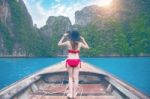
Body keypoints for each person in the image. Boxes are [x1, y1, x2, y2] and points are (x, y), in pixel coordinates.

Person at [58, 30, 89, 99]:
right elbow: (87, 47)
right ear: (78, 36)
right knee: (76, 79)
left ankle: (70, 94)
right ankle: (74, 95)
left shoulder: (68, 42)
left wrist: (63, 36)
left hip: (69, 61)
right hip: (77, 61)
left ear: (71, 36)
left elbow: (59, 44)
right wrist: (83, 40)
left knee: (70, 78)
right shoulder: (80, 43)